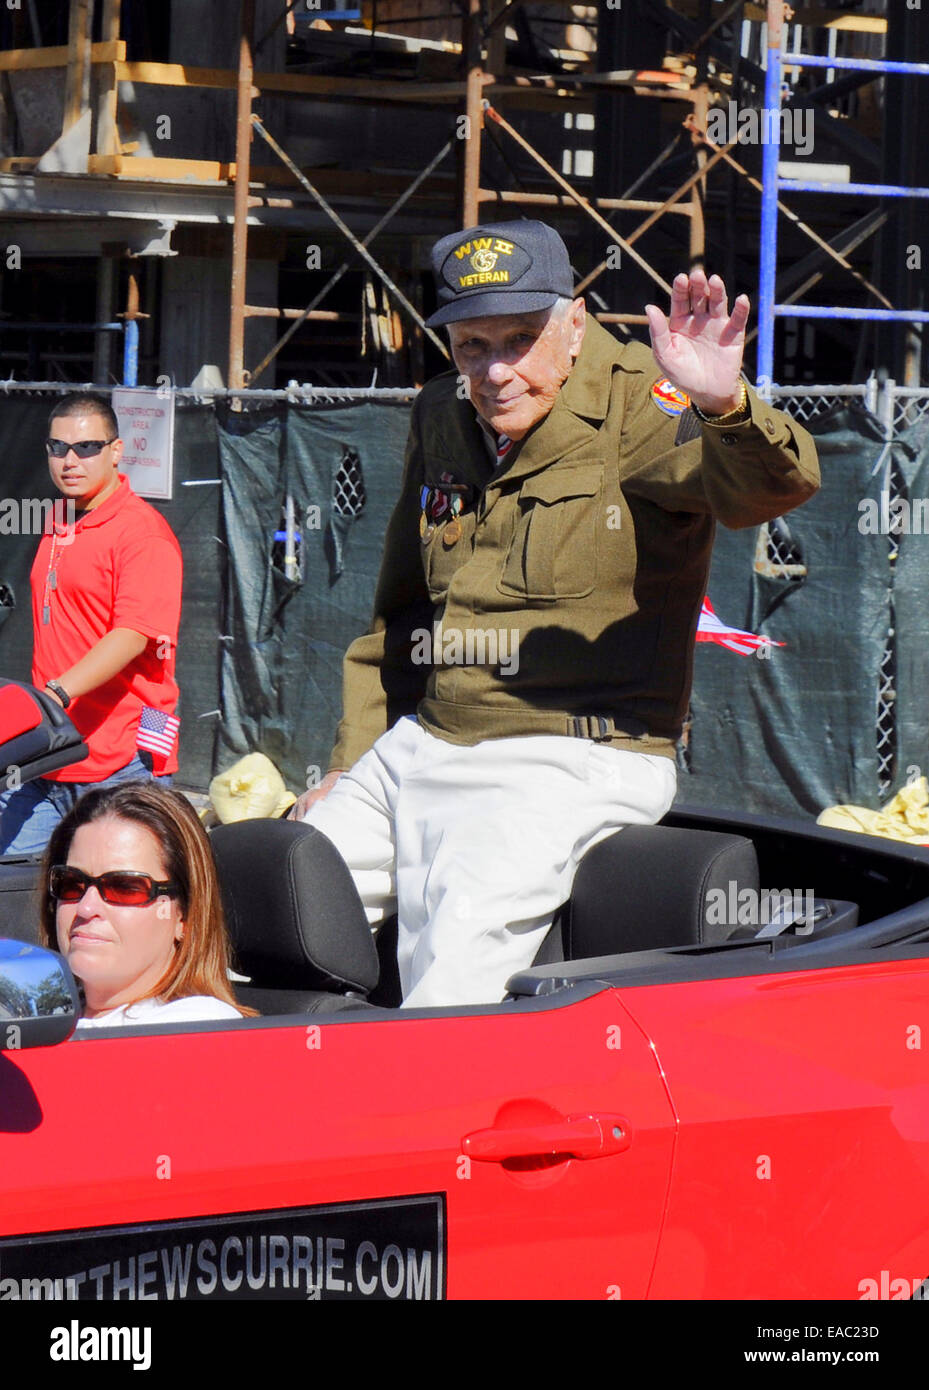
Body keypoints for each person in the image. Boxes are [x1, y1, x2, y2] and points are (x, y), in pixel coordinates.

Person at [290, 219, 821, 1007]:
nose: (497, 370)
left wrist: (724, 404)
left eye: (521, 338)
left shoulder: (646, 400)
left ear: (573, 326)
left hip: (569, 757)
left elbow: (766, 492)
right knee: (256, 901)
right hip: (425, 742)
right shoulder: (442, 411)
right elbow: (402, 614)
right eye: (473, 345)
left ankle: (430, 1124)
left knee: (451, 975)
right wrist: (348, 761)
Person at [0, 393, 183, 856]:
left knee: (123, 899)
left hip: (128, 763)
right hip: (50, 756)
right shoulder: (58, 519)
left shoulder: (143, 533)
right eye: (58, 447)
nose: (70, 460)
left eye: (86, 447)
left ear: (116, 452)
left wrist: (55, 695)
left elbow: (132, 634)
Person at [38, 781, 253, 1026]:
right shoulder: (37, 1014)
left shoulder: (199, 1026)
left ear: (184, 916)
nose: (86, 908)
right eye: (71, 883)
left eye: (124, 887)